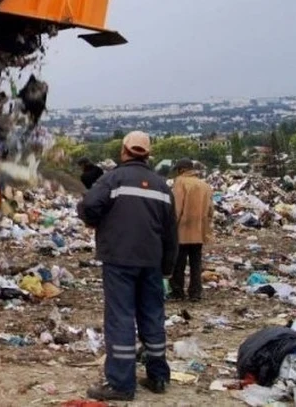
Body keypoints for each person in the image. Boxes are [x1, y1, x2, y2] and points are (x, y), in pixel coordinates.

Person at [77, 131, 178, 401]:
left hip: (120, 259)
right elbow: (171, 233)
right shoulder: (161, 187)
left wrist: (95, 220)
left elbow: (88, 206)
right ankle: (158, 377)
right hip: (152, 262)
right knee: (152, 317)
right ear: (147, 153)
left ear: (124, 151)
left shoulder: (113, 179)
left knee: (121, 318)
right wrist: (167, 267)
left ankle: (121, 384)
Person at [169, 158, 214, 302]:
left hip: (183, 230)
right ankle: (195, 292)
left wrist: (170, 227)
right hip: (199, 230)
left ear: (182, 170)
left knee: (179, 263)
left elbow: (176, 208)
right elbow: (211, 210)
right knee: (196, 263)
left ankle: (178, 291)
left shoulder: (180, 182)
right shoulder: (204, 185)